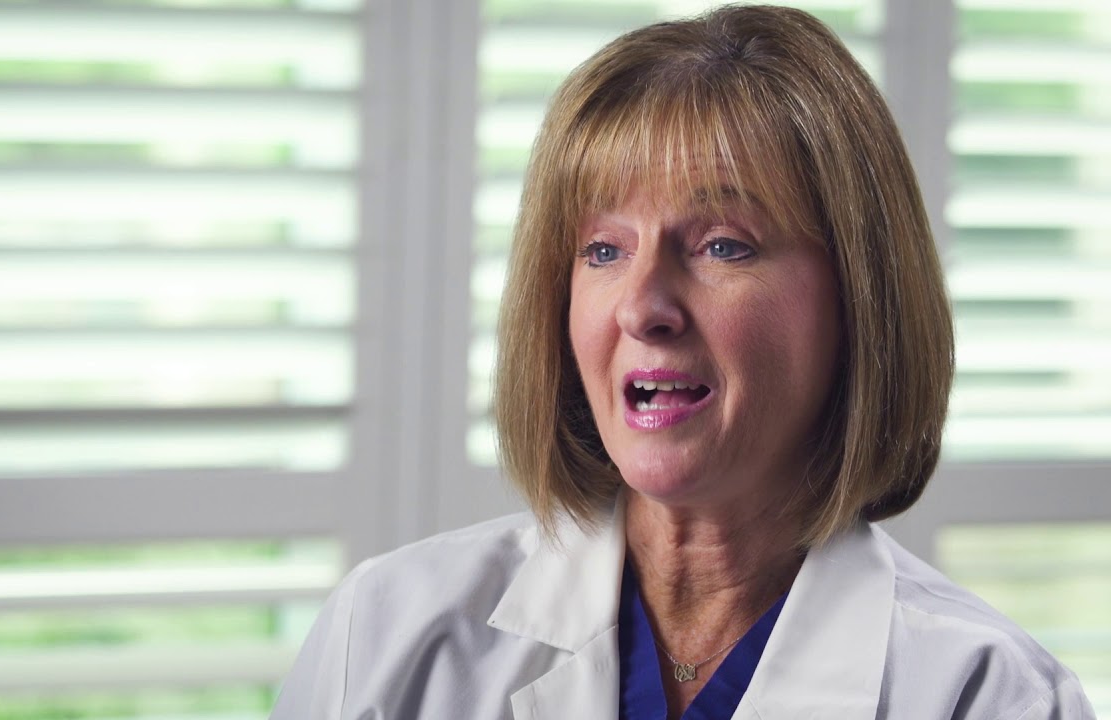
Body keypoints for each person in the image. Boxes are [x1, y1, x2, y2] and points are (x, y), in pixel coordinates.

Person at [272, 5, 1095, 718]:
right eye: (603, 249)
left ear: (859, 296)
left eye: (722, 245)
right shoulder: (383, 636)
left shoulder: (991, 696)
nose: (641, 307)